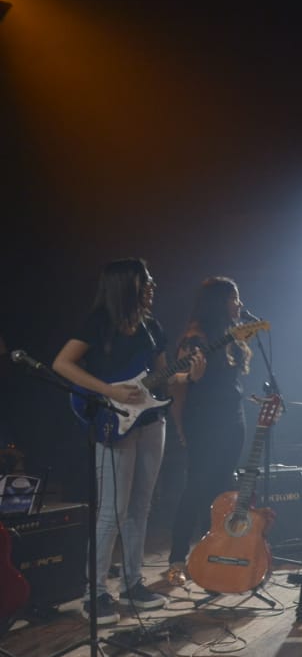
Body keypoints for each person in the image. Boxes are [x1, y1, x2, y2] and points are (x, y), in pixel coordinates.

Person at [52, 258, 200, 623]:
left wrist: (188, 376)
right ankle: (95, 593)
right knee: (111, 511)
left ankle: (133, 584)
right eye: (145, 281)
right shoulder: (99, 322)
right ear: (126, 285)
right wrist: (109, 391)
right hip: (112, 420)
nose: (152, 286)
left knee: (140, 508)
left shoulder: (152, 326)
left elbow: (162, 377)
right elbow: (62, 364)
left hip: (151, 420)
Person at [166, 277, 249, 585]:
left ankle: (212, 554)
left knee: (223, 489)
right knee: (196, 487)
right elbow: (174, 381)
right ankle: (177, 558)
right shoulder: (196, 337)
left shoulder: (231, 336)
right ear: (218, 302)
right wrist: (179, 425)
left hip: (232, 417)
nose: (239, 304)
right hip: (204, 421)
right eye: (234, 298)